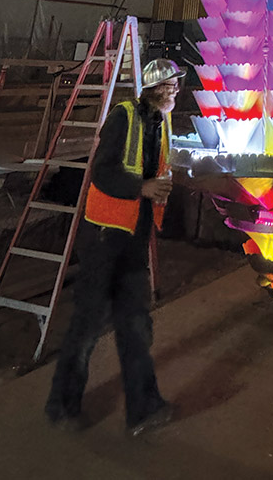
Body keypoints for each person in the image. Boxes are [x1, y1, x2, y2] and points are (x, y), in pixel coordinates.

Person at [45, 58, 185, 435]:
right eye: (167, 87)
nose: (172, 92)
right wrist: (142, 188)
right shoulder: (124, 116)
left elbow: (158, 168)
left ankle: (144, 409)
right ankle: (63, 405)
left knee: (135, 322)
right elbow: (102, 172)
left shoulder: (163, 121)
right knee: (89, 320)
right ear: (150, 89)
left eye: (175, 86)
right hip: (105, 235)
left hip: (134, 235)